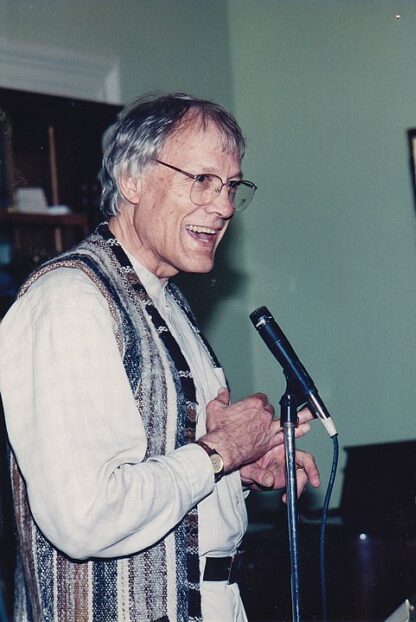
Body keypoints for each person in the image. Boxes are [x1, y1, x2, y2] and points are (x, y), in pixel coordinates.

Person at [0, 93, 320, 622]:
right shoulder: (70, 302)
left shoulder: (166, 298)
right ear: (131, 180)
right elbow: (85, 516)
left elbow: (157, 467)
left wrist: (235, 469)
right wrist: (219, 450)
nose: (222, 206)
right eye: (201, 180)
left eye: (231, 187)